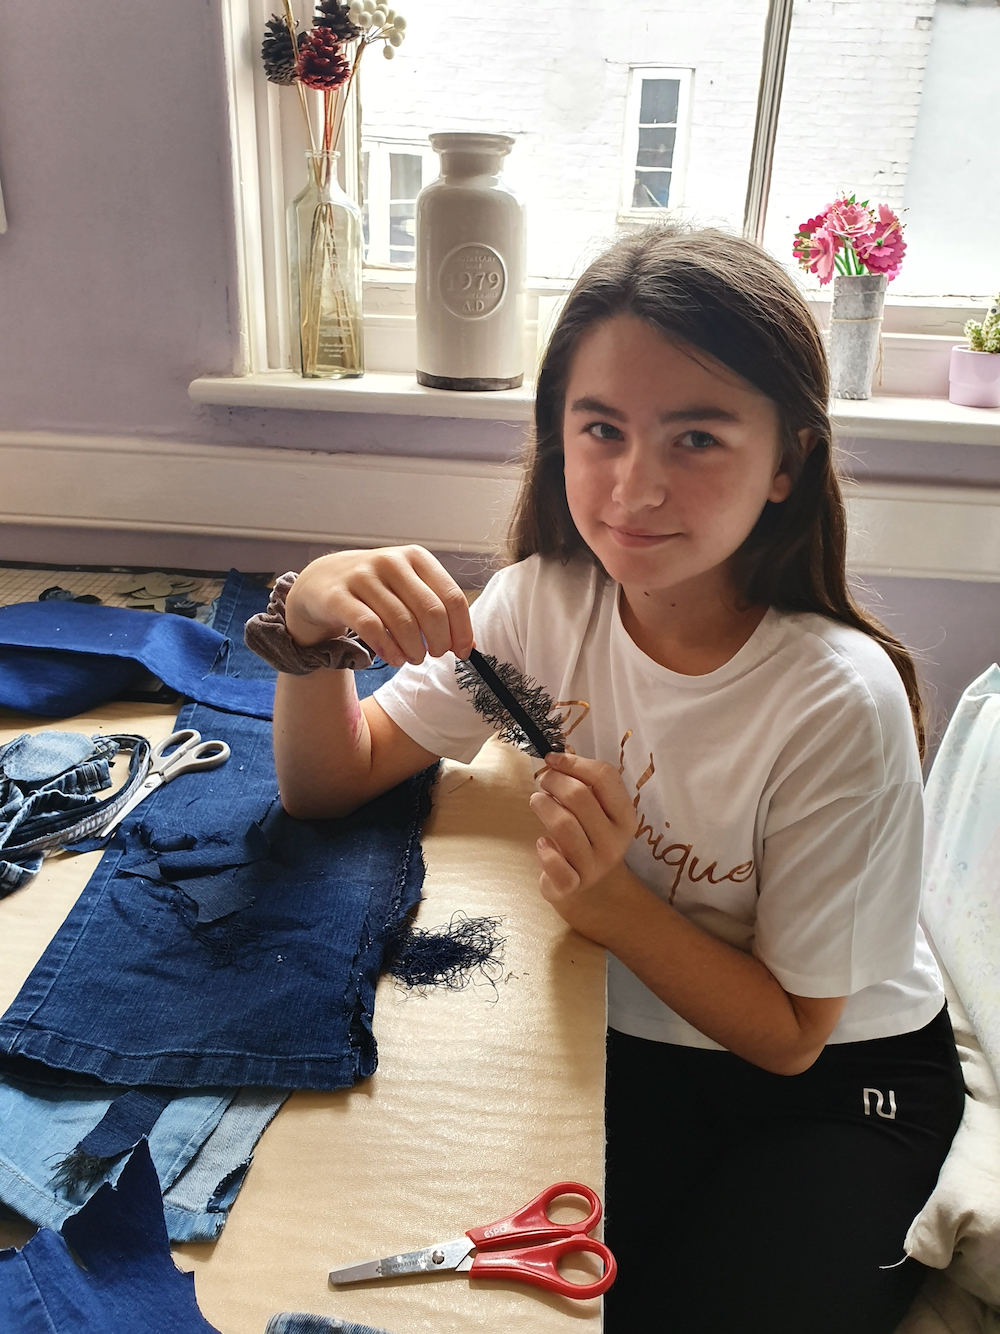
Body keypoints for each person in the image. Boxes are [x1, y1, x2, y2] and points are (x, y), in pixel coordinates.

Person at [265, 227, 964, 1332]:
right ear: (556, 435)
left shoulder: (838, 697)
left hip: (837, 1081)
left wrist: (612, 905)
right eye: (602, 429)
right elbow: (328, 783)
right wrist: (303, 623)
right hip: (632, 1034)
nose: (635, 486)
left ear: (787, 458)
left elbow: (790, 1032)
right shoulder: (538, 605)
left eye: (696, 436)